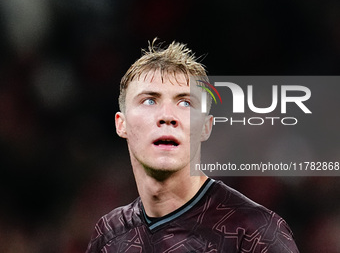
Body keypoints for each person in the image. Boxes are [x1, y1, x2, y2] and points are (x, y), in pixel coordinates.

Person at [85, 39, 299, 253]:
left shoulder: (255, 232)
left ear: (206, 127)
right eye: (150, 100)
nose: (167, 116)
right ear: (121, 124)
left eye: (185, 103)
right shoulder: (109, 235)